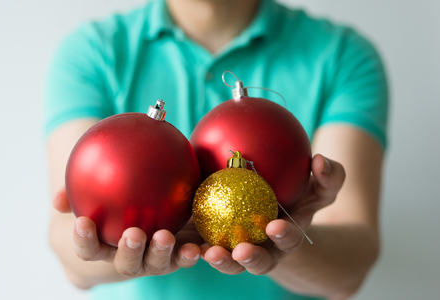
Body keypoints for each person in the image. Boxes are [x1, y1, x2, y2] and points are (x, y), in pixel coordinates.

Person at [46, 0, 388, 299]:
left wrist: (288, 245)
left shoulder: (341, 54)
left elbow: (351, 268)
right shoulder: (93, 51)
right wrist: (103, 253)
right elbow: (70, 244)